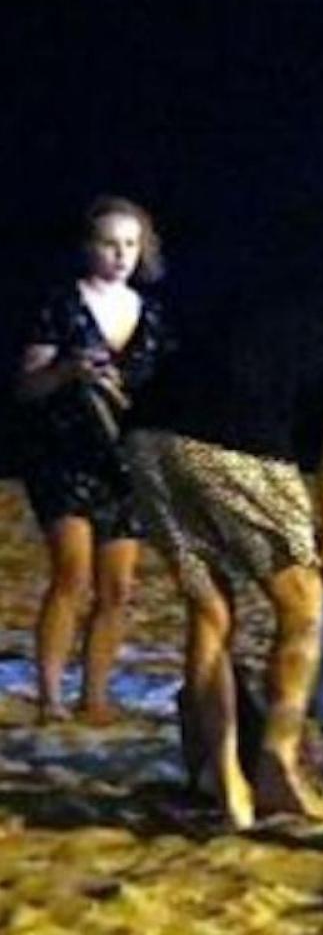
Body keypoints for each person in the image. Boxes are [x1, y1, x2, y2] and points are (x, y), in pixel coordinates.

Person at [126, 299, 323, 828]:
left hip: (146, 440)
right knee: (304, 606)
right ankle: (277, 765)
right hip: (233, 445)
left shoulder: (273, 321)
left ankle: (224, 780)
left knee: (209, 611)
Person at [13, 197, 171, 725]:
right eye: (110, 243)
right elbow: (27, 387)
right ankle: (51, 695)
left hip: (124, 462)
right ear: (89, 247)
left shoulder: (150, 314)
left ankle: (95, 694)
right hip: (64, 456)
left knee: (118, 587)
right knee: (72, 574)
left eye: (131, 243)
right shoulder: (61, 304)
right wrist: (67, 371)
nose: (121, 254)